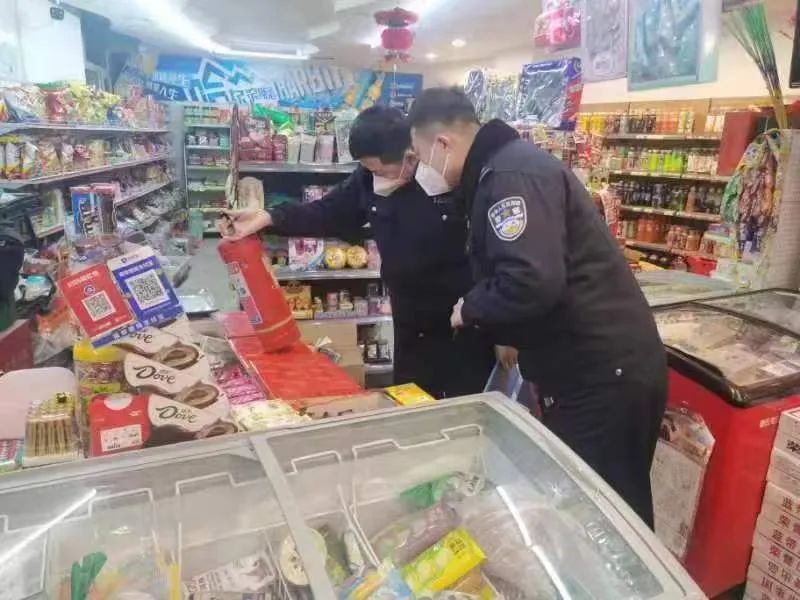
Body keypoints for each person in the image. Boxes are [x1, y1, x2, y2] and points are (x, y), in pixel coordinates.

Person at [407, 87, 667, 527]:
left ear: (442, 143)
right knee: (593, 501)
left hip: (602, 374)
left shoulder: (511, 177)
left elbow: (530, 280)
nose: (421, 170)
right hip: (591, 367)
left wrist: (470, 308)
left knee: (602, 513)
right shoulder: (502, 169)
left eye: (420, 157)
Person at [220, 105, 495, 399]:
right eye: (369, 169)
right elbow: (327, 212)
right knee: (411, 396)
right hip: (408, 315)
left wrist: (501, 327)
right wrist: (268, 217)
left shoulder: (448, 176)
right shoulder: (367, 178)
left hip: (460, 317)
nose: (375, 177)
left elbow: (495, 254)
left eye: (379, 169)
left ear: (410, 155)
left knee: (464, 402)